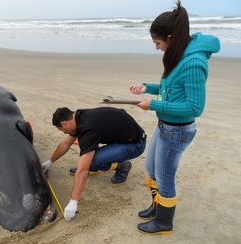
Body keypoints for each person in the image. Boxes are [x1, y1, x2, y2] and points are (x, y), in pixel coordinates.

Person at [129, 0, 220, 235]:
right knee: (151, 169)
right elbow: (171, 87)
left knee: (165, 177)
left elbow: (194, 107)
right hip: (165, 125)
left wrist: (154, 104)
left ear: (170, 37)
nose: (157, 48)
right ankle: (157, 206)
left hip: (178, 131)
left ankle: (163, 223)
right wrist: (148, 87)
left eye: (158, 43)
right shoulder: (179, 53)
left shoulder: (193, 62)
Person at [42, 106, 146, 222]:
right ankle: (100, 165)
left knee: (93, 160)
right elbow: (66, 143)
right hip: (123, 135)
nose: (64, 133)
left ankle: (122, 166)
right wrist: (50, 162)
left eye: (61, 130)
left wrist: (73, 202)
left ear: (64, 124)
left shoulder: (88, 129)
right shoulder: (79, 116)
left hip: (135, 144)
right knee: (87, 151)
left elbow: (82, 171)